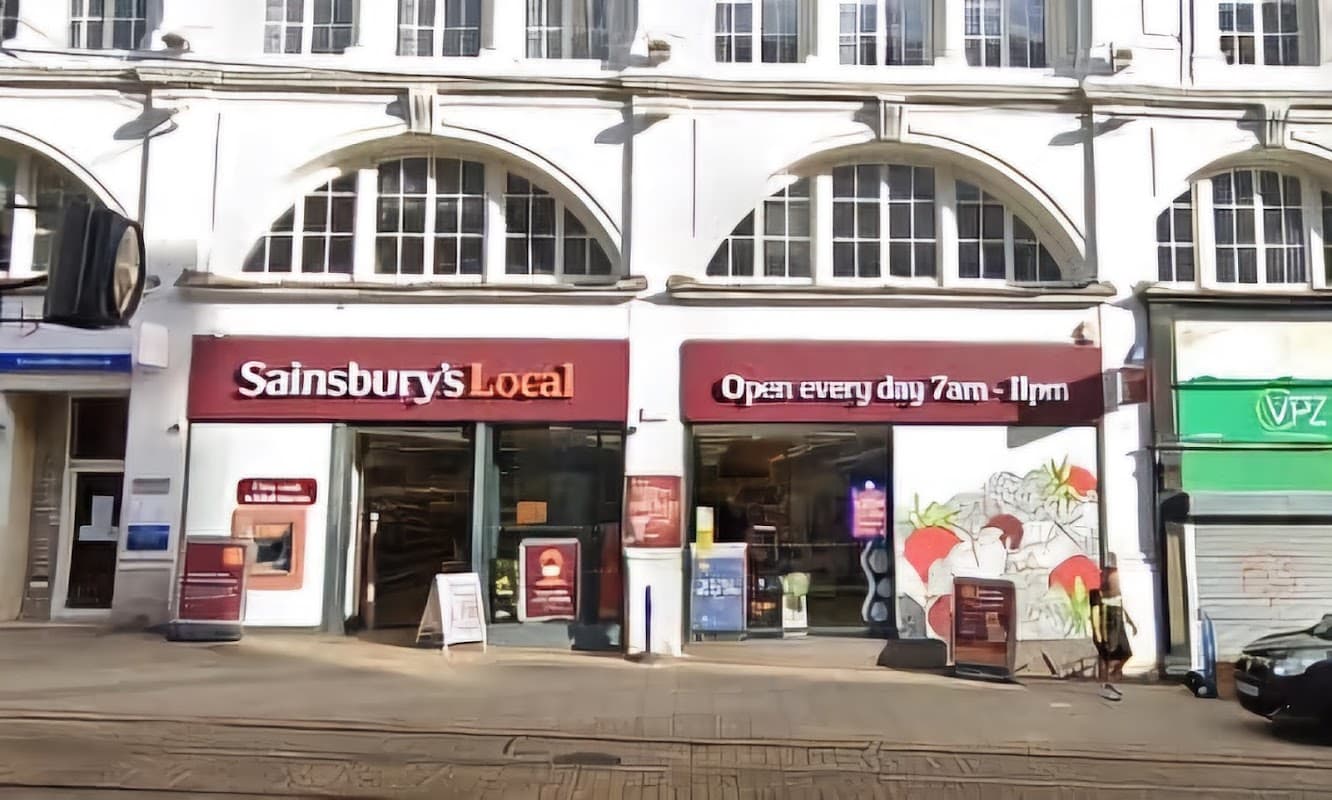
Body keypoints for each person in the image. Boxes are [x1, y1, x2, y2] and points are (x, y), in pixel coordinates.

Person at [1089, 555, 1137, 701]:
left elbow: (1121, 605)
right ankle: (1106, 685)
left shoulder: (1115, 586)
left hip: (1117, 621)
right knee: (1108, 657)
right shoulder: (1098, 590)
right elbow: (1095, 611)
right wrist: (1097, 631)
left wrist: (1131, 622)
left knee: (1126, 653)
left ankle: (1111, 680)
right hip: (1107, 624)